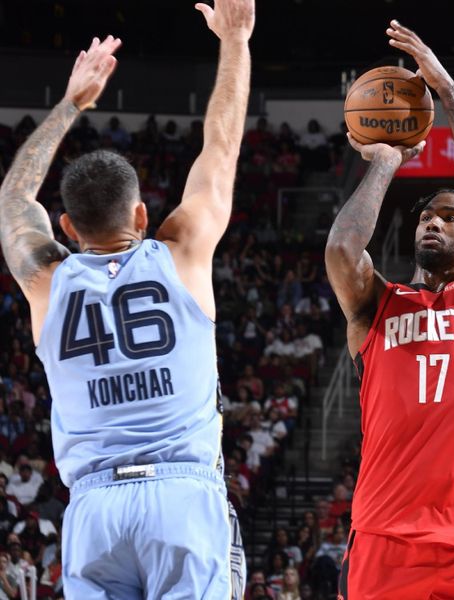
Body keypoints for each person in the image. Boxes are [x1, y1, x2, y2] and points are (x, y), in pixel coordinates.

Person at [0, 1, 255, 597]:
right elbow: (221, 148)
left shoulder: (46, 280)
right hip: (181, 497)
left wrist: (70, 104)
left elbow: (13, 196)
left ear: (65, 227)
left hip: (94, 511)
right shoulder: (182, 251)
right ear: (142, 215)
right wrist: (236, 40)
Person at [325, 19, 454, 599]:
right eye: (425, 215)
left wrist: (450, 96)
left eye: (449, 215)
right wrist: (386, 159)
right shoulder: (375, 304)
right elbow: (341, 249)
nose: (432, 219)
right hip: (384, 537)